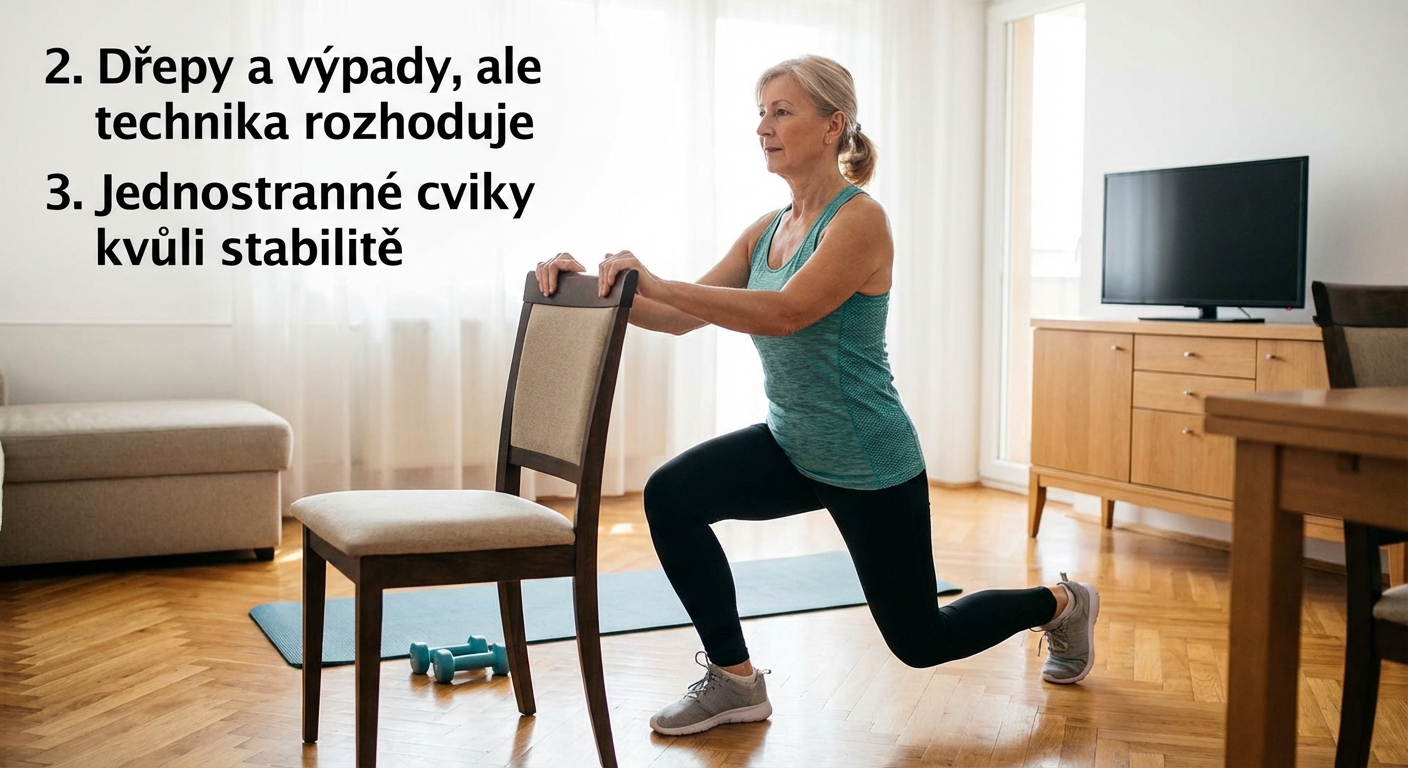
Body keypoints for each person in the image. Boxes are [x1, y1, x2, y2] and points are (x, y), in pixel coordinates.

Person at [536, 54, 1098, 737]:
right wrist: (586, 291)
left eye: (781, 111)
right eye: (761, 111)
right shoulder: (767, 229)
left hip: (868, 460)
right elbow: (681, 316)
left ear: (834, 126)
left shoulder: (860, 221)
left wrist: (656, 281)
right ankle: (734, 681)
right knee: (671, 496)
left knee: (921, 641)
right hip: (793, 443)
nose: (763, 127)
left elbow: (786, 313)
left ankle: (1061, 603)